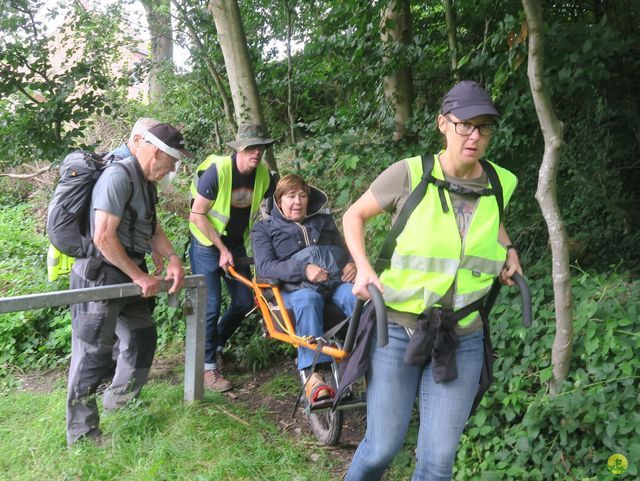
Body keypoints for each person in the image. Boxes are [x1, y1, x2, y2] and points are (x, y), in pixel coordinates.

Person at [342, 80, 523, 480]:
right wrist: (365, 267)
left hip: (463, 334)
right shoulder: (408, 174)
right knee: (381, 448)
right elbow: (352, 216)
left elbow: (489, 224)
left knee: (439, 461)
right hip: (399, 328)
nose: (475, 136)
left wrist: (508, 252)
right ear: (444, 124)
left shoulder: (499, 182)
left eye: (484, 127)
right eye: (465, 125)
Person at [66, 122, 188, 446]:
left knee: (142, 336)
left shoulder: (145, 180)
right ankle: (82, 434)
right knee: (93, 354)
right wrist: (139, 276)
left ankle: (121, 403)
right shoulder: (118, 176)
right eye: (169, 160)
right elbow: (103, 236)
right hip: (100, 273)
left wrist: (173, 257)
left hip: (129, 270)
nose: (171, 169)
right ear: (148, 147)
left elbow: (152, 226)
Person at [251, 174, 357, 404]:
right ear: (279, 201)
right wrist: (303, 269)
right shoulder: (264, 228)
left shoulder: (324, 222)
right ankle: (313, 375)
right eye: (291, 196)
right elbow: (265, 266)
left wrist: (352, 263)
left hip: (334, 285)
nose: (297, 201)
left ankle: (365, 359)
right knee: (308, 300)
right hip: (293, 291)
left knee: (355, 295)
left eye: (302, 195)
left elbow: (346, 249)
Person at [189, 124, 277, 392]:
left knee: (243, 301)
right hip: (206, 243)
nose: (257, 152)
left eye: (261, 147)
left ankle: (215, 346)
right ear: (239, 148)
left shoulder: (264, 175)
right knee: (211, 304)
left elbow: (272, 212)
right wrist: (221, 249)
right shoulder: (218, 172)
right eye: (251, 147)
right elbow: (197, 215)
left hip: (235, 243)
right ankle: (206, 368)